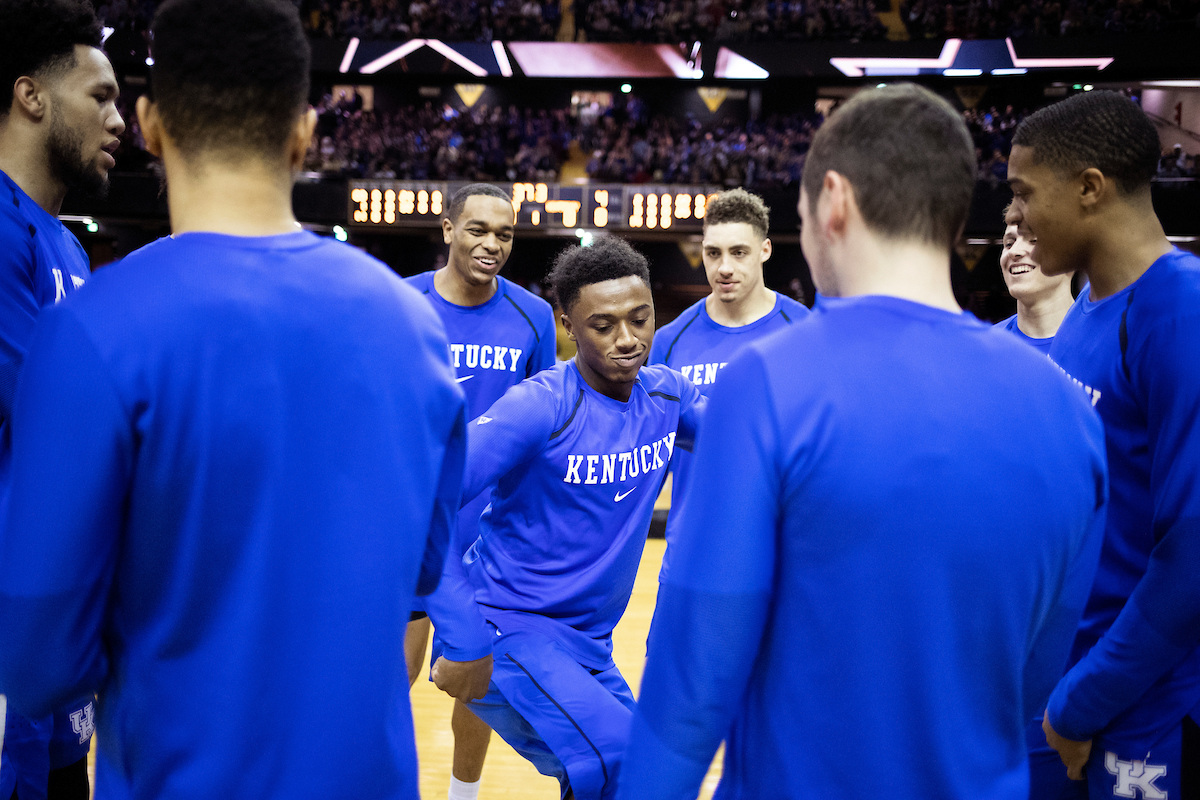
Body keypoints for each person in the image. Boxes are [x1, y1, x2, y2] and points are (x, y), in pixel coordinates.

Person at [0, 1, 468, 798]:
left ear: (150, 124)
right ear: (305, 133)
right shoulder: (415, 326)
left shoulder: (92, 330)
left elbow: (39, 662)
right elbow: (421, 568)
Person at [616, 83, 1108, 800]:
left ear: (834, 202)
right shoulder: (1070, 413)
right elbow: (1036, 669)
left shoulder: (770, 382)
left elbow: (694, 682)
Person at [428, 235, 705, 800]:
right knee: (627, 763)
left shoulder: (667, 397)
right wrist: (460, 636)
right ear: (567, 324)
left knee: (646, 777)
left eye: (640, 318)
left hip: (587, 647)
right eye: (603, 325)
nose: (628, 339)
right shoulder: (541, 405)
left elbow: (757, 441)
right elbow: (421, 505)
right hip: (506, 632)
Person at [1009, 90, 1200, 799]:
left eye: (1024, 193)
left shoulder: (1180, 309)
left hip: (1140, 701)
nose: (1018, 217)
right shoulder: (1087, 310)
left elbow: (1191, 553)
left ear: (1090, 187)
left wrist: (1082, 700)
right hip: (1067, 676)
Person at [0, 2, 123, 797]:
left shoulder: (64, 241)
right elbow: (55, 419)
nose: (120, 120)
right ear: (31, 97)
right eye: (101, 96)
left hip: (52, 602)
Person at [404, 182, 556, 800]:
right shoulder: (402, 303)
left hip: (490, 539)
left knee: (477, 683)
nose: (492, 244)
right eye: (477, 230)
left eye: (505, 234)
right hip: (414, 531)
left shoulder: (532, 316)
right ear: (447, 229)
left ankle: (461, 797)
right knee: (395, 675)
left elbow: (549, 419)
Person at [648, 187, 807, 585]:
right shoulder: (670, 339)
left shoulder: (803, 330)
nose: (724, 267)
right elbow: (654, 449)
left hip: (778, 553)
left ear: (765, 250)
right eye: (713, 253)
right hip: (691, 550)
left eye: (739, 252)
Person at [993, 204, 1074, 354]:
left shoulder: (1110, 343)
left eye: (1034, 240)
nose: (1014, 252)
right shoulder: (986, 348)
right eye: (1009, 243)